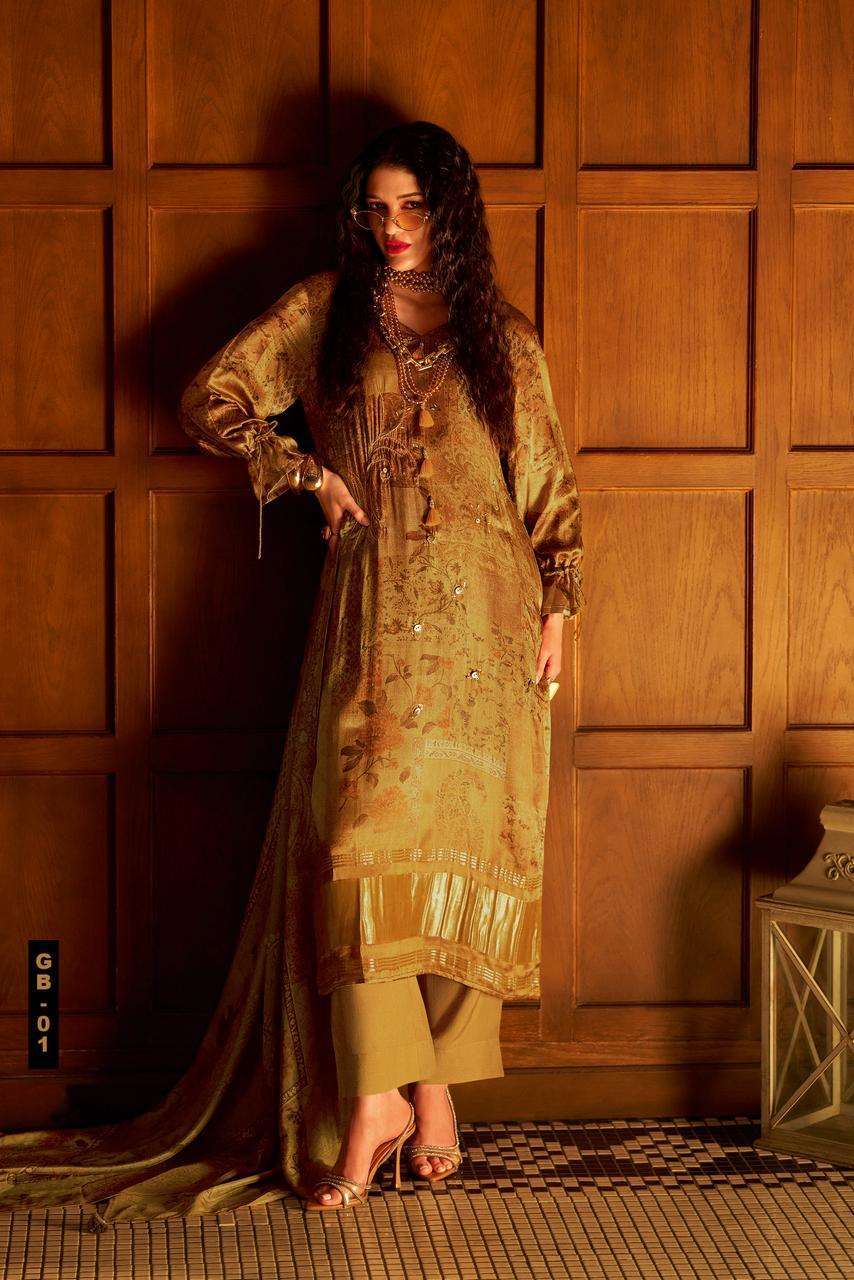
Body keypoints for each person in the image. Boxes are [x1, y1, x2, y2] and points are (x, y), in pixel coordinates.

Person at [0, 120, 583, 1225]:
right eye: (376, 208)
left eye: (414, 207)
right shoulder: (326, 312)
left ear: (450, 212)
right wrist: (302, 472)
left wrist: (558, 606)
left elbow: (546, 485)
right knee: (359, 850)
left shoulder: (502, 335)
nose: (393, 227)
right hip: (373, 619)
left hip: (493, 631)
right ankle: (373, 1097)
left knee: (474, 859)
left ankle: (434, 1094)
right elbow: (209, 395)